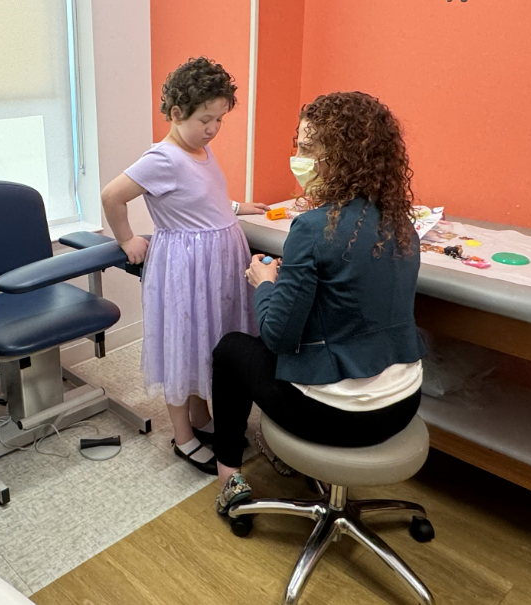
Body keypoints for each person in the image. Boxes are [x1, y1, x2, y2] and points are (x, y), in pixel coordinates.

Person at [210, 92, 427, 513]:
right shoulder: (401, 222)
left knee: (231, 349)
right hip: (403, 404)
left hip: (338, 418)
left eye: (309, 149)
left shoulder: (311, 229)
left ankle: (228, 478)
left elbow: (277, 337)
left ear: (343, 158)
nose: (298, 158)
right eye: (299, 146)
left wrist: (265, 282)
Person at [101, 57, 266, 474]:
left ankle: (201, 416)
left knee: (206, 343)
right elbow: (111, 196)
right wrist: (127, 238)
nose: (213, 129)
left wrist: (236, 207)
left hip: (216, 262)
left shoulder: (201, 150)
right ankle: (183, 436)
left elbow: (198, 197)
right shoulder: (162, 158)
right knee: (182, 346)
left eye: (219, 120)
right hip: (185, 268)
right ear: (177, 113)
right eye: (205, 119)